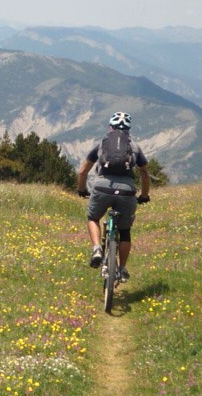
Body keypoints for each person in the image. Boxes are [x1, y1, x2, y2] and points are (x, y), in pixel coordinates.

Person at [76, 111, 150, 282]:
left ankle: (96, 249)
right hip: (127, 191)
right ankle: (122, 269)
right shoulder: (135, 147)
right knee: (125, 231)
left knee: (93, 218)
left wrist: (82, 189)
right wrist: (144, 195)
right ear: (129, 129)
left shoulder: (101, 144)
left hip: (102, 188)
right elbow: (145, 175)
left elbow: (82, 171)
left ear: (110, 127)